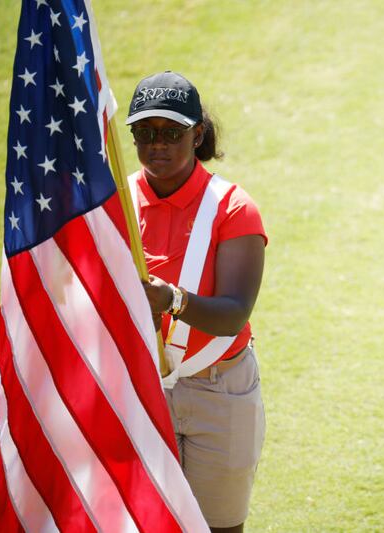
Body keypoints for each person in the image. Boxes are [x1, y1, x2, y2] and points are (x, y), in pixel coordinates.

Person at [125, 71, 267, 533]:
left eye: (171, 132)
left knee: (219, 527)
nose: (156, 145)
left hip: (219, 387)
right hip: (140, 385)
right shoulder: (117, 203)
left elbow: (233, 314)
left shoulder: (232, 206)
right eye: (144, 133)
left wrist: (172, 299)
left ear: (198, 134)